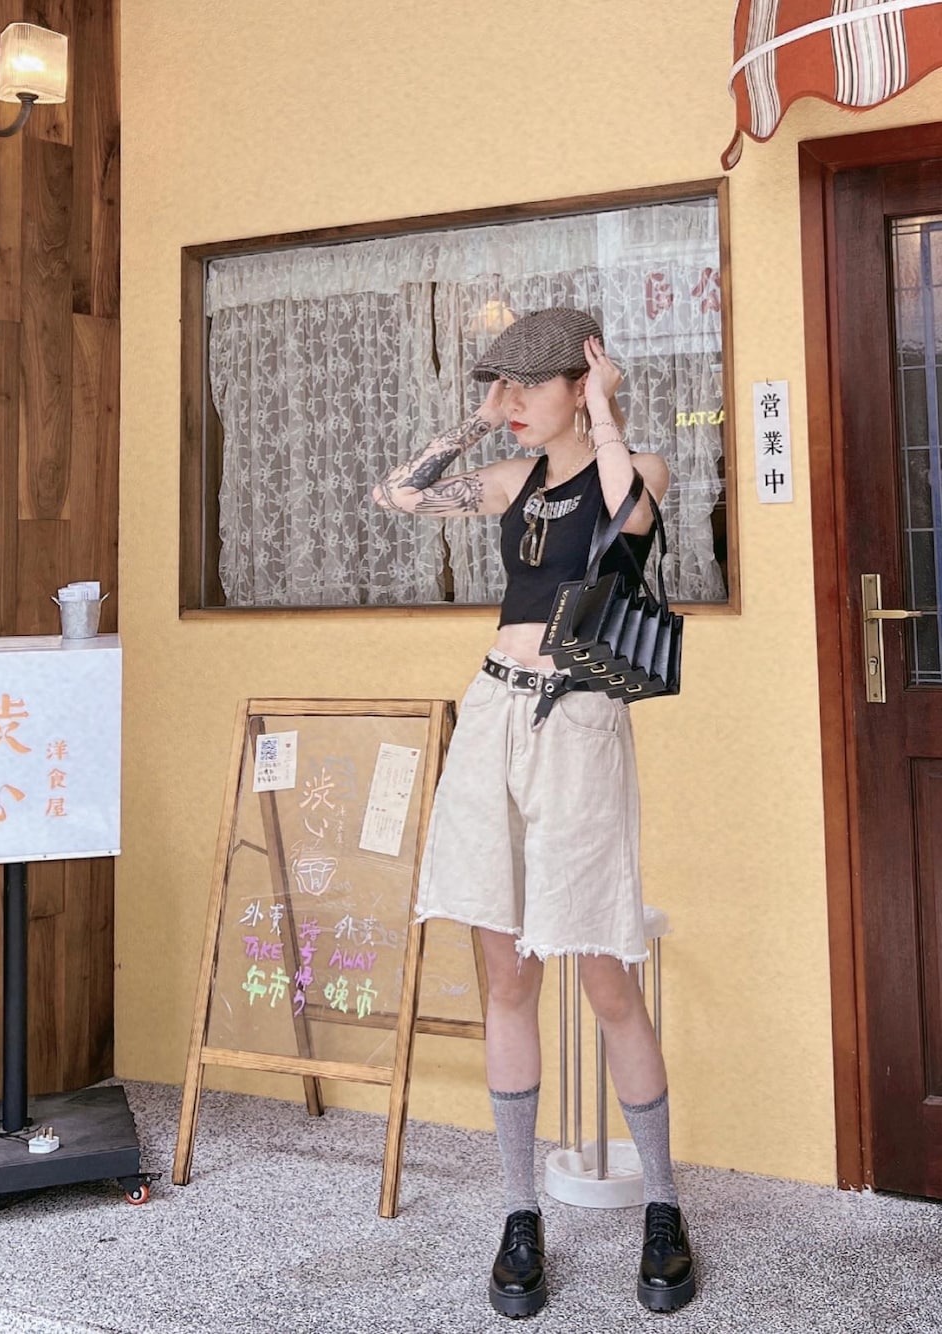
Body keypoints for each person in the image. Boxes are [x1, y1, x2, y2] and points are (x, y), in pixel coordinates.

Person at [372, 306, 694, 1318]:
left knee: (604, 975)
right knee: (505, 973)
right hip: (494, 713)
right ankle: (521, 1214)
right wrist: (477, 422)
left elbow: (620, 514)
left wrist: (604, 411)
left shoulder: (638, 465)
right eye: (501, 386)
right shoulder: (512, 480)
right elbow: (396, 494)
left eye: (527, 385)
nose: (512, 401)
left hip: (580, 720)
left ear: (579, 383)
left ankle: (663, 1204)